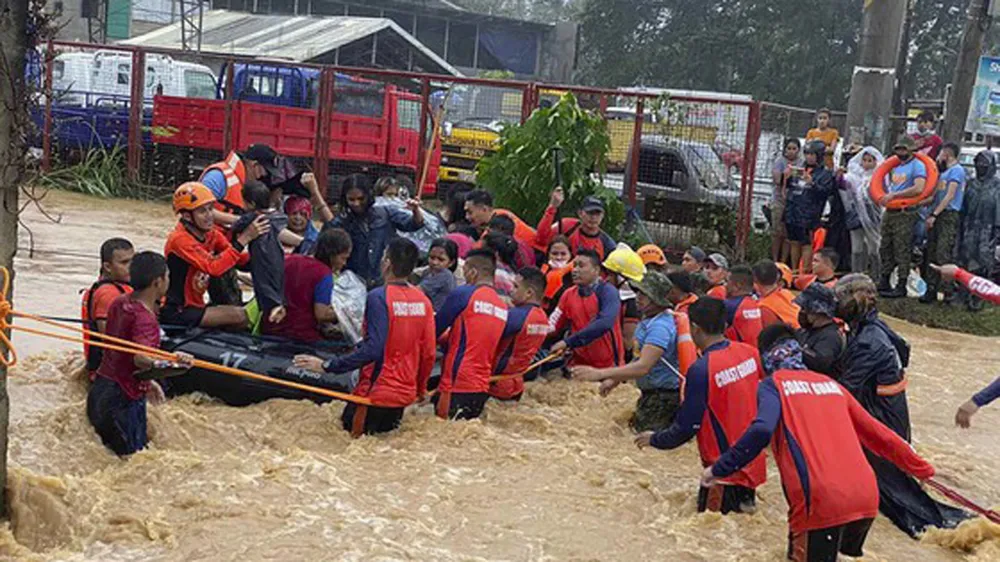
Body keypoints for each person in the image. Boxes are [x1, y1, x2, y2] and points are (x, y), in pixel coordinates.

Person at [704, 324, 936, 562]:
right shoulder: (832, 385)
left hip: (820, 499)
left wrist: (719, 468)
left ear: (765, 359)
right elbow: (880, 435)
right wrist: (922, 469)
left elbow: (761, 429)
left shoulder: (772, 386)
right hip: (865, 498)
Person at [833, 274, 967, 536]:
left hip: (882, 417)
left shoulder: (869, 341)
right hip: (891, 411)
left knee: (897, 498)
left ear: (856, 301)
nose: (837, 304)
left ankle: (949, 530)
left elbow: (843, 388)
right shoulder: (875, 328)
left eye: (840, 299)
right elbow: (903, 352)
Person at [634, 297, 766, 514]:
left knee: (713, 536)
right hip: (751, 463)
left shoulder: (702, 369)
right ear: (724, 325)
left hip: (722, 471)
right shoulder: (749, 353)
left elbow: (686, 428)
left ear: (694, 328)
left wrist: (654, 439)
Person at [294, 239, 436, 436]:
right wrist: (420, 390)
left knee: (345, 443)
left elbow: (374, 348)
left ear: (387, 263)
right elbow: (429, 352)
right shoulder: (424, 301)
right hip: (403, 395)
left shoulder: (378, 297)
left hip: (374, 393)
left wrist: (327, 366)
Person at [87, 251, 194, 456]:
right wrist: (175, 364)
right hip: (122, 401)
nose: (169, 281)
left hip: (101, 389)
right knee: (132, 462)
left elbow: (124, 353)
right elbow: (141, 359)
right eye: (168, 276)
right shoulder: (145, 319)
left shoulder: (121, 302)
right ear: (158, 282)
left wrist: (149, 382)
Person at [571, 271, 682, 431]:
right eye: (638, 292)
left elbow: (644, 366)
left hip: (663, 399)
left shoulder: (660, 327)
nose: (638, 297)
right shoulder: (649, 320)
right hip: (653, 395)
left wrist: (600, 374)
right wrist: (615, 380)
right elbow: (638, 358)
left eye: (644, 294)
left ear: (657, 300)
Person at [162, 183, 267, 329]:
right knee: (241, 316)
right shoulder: (180, 240)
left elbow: (239, 259)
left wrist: (270, 260)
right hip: (179, 310)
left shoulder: (211, 235)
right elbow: (213, 267)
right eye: (202, 211)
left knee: (245, 311)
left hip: (197, 305)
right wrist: (245, 238)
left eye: (211, 209)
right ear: (187, 216)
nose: (209, 216)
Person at [435, 249, 510, 420]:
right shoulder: (502, 306)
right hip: (481, 387)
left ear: (472, 272)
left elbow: (434, 331)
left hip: (456, 383)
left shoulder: (464, 294)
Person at [328, 174, 424, 286]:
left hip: (382, 281)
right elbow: (329, 238)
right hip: (354, 282)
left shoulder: (386, 213)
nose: (356, 204)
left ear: (368, 195)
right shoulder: (342, 221)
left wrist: (416, 210)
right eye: (351, 199)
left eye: (361, 198)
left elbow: (414, 224)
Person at [264, 228, 351, 343]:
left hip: (270, 326)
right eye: (343, 258)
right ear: (332, 254)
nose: (344, 263)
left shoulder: (291, 259)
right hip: (300, 335)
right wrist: (347, 311)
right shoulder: (323, 274)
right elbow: (322, 314)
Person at [549, 250, 624, 370]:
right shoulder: (568, 294)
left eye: (581, 266)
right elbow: (553, 325)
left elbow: (604, 323)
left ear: (596, 270)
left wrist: (568, 342)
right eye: (574, 265)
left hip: (608, 368)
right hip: (578, 366)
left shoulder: (608, 292)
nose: (575, 270)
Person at [877, 136, 928, 299]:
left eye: (903, 149)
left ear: (911, 150)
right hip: (891, 211)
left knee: (902, 248)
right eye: (898, 149)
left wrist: (895, 195)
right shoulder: (897, 167)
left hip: (905, 212)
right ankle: (884, 279)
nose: (900, 152)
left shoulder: (917, 166)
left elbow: (919, 188)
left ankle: (901, 284)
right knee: (885, 245)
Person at [232, 181, 288, 330]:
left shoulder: (251, 218)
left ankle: (268, 320)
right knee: (276, 287)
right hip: (276, 259)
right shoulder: (277, 217)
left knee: (263, 291)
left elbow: (236, 226)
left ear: (250, 203)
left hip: (260, 260)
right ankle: (277, 310)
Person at [489, 268, 551, 402]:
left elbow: (486, 336)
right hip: (517, 383)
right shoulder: (543, 318)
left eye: (516, 286)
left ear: (529, 293)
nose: (511, 290)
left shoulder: (517, 316)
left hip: (496, 384)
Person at [82, 238, 134, 379]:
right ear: (108, 267)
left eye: (132, 261)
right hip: (108, 373)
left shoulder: (120, 286)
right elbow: (111, 340)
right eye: (124, 263)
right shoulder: (108, 294)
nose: (131, 267)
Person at [920, 143, 966, 304]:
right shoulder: (943, 173)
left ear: (947, 154)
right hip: (936, 214)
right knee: (931, 251)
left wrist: (934, 214)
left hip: (947, 215)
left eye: (940, 154)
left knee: (943, 252)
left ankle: (948, 291)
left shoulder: (957, 171)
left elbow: (949, 196)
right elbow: (935, 196)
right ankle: (930, 289)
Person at [955, 150, 1000, 311]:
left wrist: (996, 233)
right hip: (969, 226)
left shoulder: (997, 185)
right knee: (964, 260)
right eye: (979, 163)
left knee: (983, 263)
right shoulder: (971, 184)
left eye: (985, 164)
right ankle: (961, 294)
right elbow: (963, 206)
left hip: (987, 229)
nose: (981, 166)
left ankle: (978, 298)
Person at [785, 141, 835, 274]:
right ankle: (794, 270)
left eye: (812, 154)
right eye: (807, 154)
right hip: (793, 210)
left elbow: (826, 192)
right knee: (794, 241)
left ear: (819, 155)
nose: (809, 157)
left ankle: (804, 272)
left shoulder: (825, 173)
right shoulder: (800, 168)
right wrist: (787, 177)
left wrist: (812, 183)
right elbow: (790, 187)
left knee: (806, 243)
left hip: (809, 214)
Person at [534, 188, 617, 259]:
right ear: (580, 213)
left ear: (603, 216)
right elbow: (541, 239)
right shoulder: (566, 225)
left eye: (597, 214)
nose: (593, 217)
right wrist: (553, 206)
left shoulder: (607, 244)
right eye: (590, 213)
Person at [842, 146, 885, 277]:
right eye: (864, 160)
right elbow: (845, 190)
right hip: (856, 217)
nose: (866, 163)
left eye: (870, 160)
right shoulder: (853, 177)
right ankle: (856, 275)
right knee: (857, 247)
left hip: (873, 217)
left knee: (874, 247)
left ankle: (876, 275)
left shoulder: (879, 177)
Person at [601, 243, 646, 359]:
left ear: (622, 278)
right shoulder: (614, 297)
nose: (606, 278)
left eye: (610, 274)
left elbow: (627, 344)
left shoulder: (631, 305)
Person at [793, 283, 844, 377]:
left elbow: (820, 363)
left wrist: (796, 350)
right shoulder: (806, 331)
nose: (802, 312)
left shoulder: (830, 337)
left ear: (817, 311)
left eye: (805, 308)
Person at [463, 189, 538, 248]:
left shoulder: (500, 223)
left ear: (484, 209)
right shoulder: (500, 213)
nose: (467, 217)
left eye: (470, 212)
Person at [771, 138, 803, 264]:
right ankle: (774, 259)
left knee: (787, 234)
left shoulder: (801, 162)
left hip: (794, 202)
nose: (791, 151)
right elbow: (777, 179)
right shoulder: (779, 161)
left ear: (798, 150)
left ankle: (783, 261)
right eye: (789, 148)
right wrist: (786, 175)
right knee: (776, 232)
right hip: (779, 200)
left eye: (794, 149)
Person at [722, 265, 763, 346]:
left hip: (739, 353)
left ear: (738, 285)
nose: (725, 285)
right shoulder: (757, 301)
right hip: (756, 352)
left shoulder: (730, 306)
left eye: (727, 281)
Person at [753, 259, 801, 329]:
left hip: (797, 336)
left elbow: (770, 335)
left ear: (755, 279)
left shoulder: (764, 307)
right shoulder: (786, 293)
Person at [420, 238, 458, 312]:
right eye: (432, 257)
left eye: (441, 259)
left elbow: (416, 291)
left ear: (451, 262)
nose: (435, 262)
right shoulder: (427, 272)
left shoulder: (445, 275)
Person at [541, 235, 574, 312]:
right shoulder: (540, 274)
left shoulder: (576, 276)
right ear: (548, 254)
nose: (559, 257)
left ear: (570, 255)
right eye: (554, 254)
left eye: (563, 254)